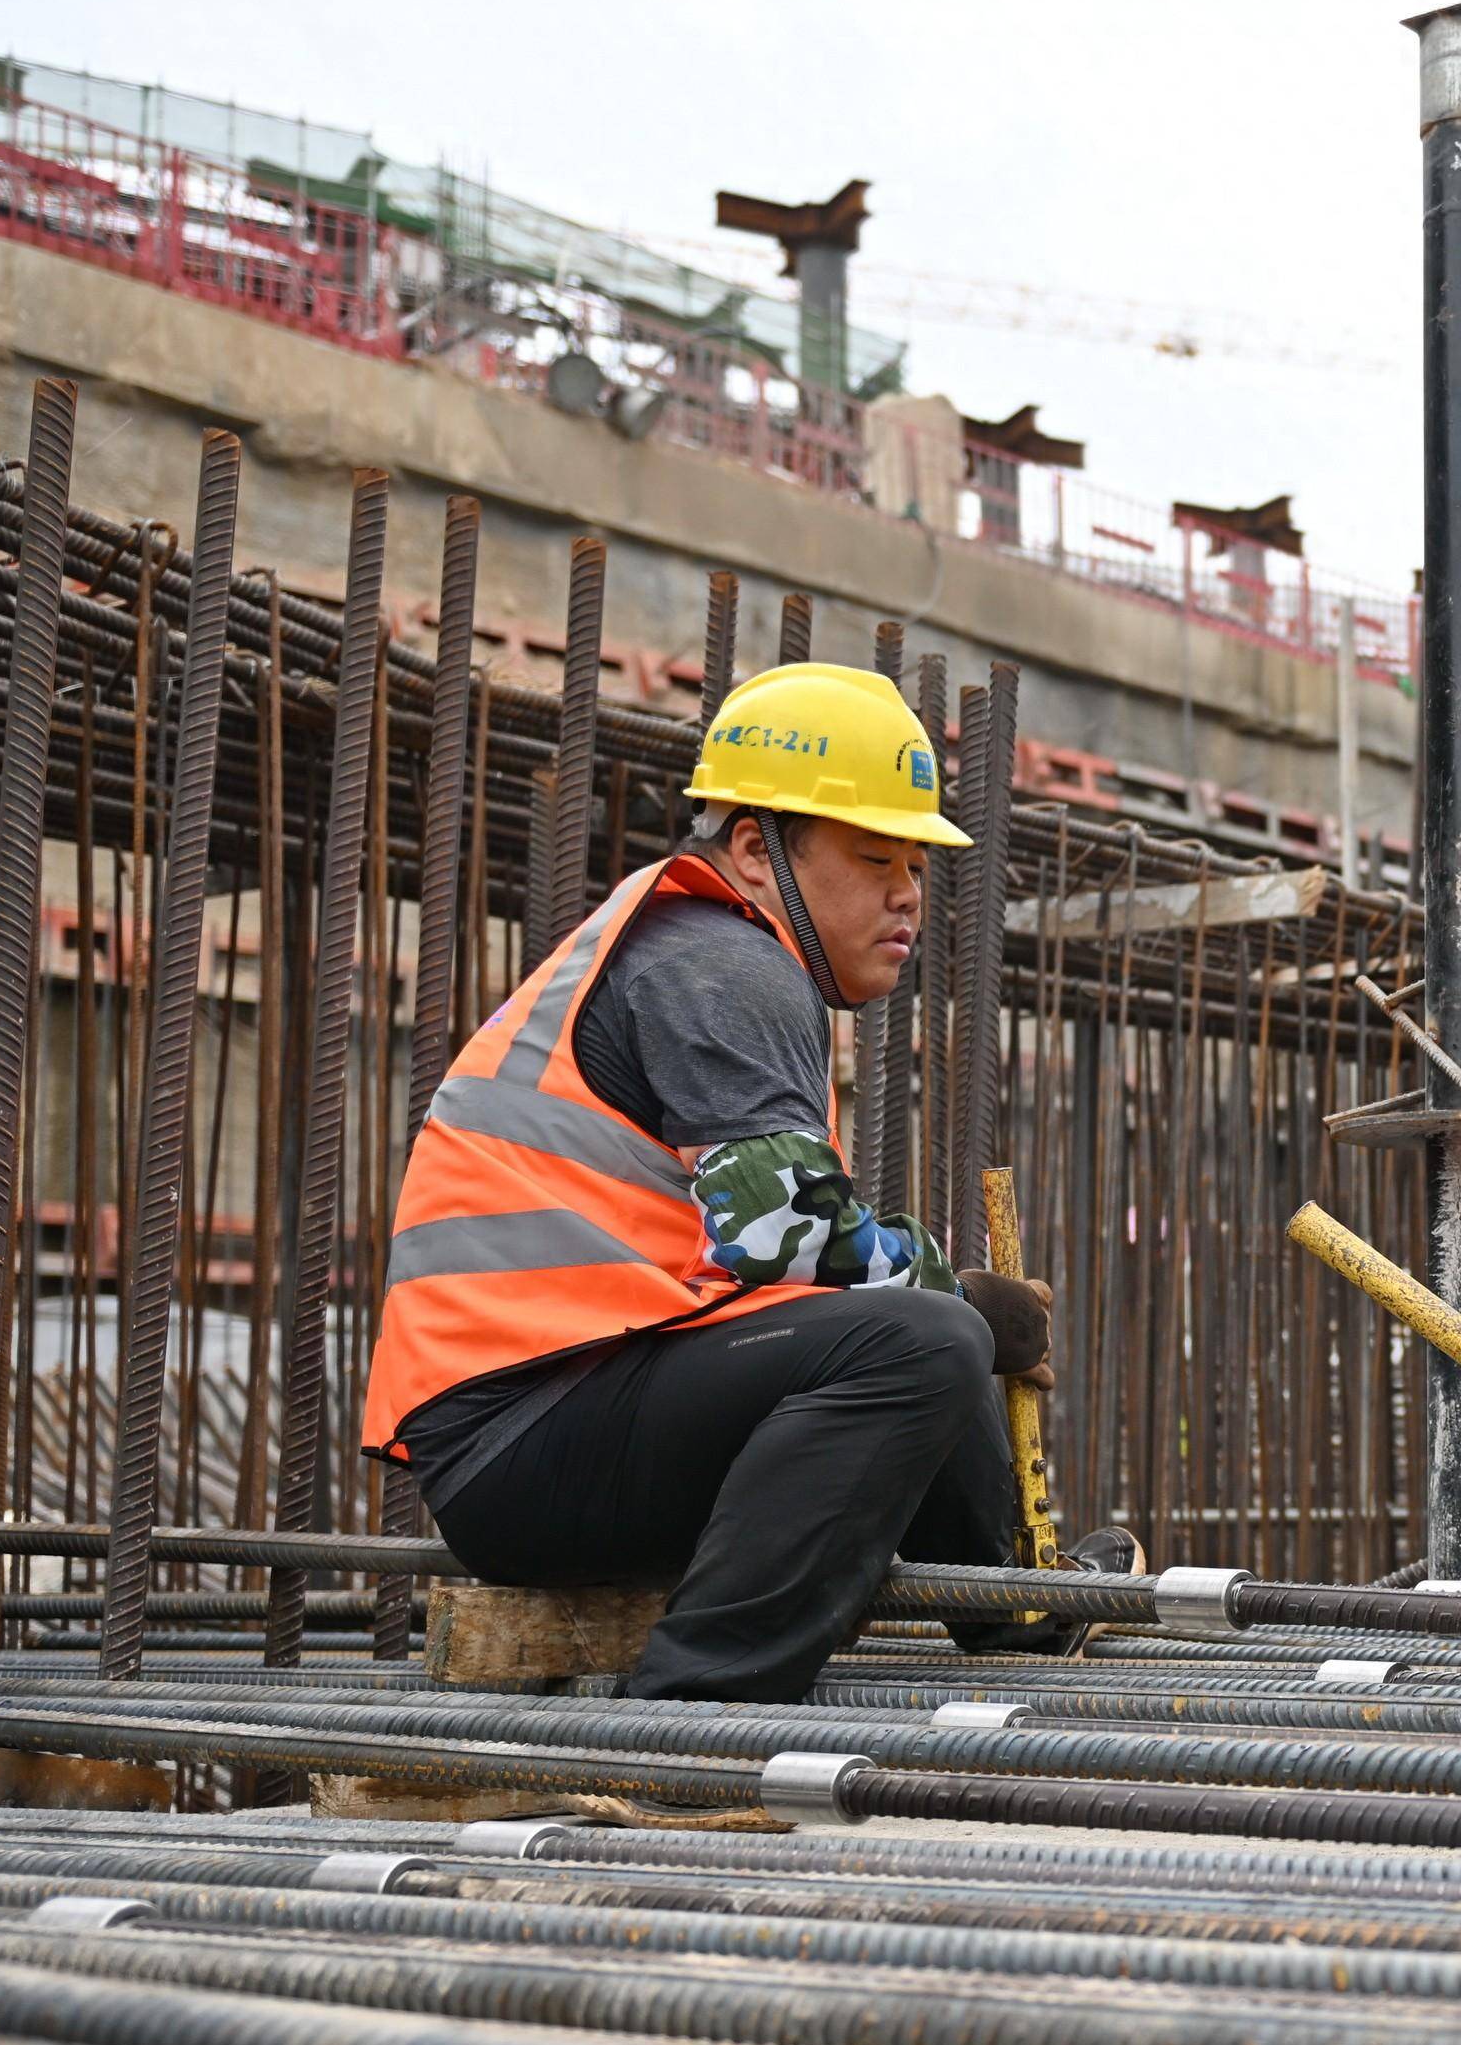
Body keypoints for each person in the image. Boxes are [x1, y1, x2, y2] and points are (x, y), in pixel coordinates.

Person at [357, 662, 1121, 1702]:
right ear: (758, 850)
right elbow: (788, 1238)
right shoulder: (722, 961)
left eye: (917, 863)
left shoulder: (708, 950)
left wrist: (945, 1296)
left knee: (909, 1318)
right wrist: (969, 1298)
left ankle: (1016, 1608)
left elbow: (792, 1268)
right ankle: (692, 1708)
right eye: (873, 855)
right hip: (526, 1439)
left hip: (564, 1414)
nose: (907, 892)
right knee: (924, 1330)